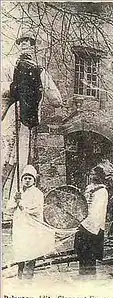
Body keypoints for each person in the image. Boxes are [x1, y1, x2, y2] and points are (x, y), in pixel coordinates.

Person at [2, 31, 62, 189]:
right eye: (22, 41)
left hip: (26, 119)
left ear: (32, 46)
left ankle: (16, 194)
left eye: (28, 41)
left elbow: (56, 100)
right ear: (18, 45)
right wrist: (14, 88)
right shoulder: (8, 64)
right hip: (10, 113)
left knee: (21, 156)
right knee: (7, 152)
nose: (25, 44)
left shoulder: (39, 70)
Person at [5, 165, 55, 279]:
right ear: (22, 180)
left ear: (34, 180)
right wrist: (15, 200)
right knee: (20, 252)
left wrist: (21, 204)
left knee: (30, 252)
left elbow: (36, 209)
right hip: (19, 228)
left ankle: (28, 279)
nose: (27, 181)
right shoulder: (18, 193)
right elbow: (9, 208)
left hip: (31, 228)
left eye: (29, 178)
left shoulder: (37, 193)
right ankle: (20, 277)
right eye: (25, 178)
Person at [74, 167, 108, 275]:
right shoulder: (89, 188)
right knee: (82, 250)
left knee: (90, 251)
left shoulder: (102, 191)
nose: (93, 177)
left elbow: (98, 209)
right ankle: (82, 271)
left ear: (100, 176)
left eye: (95, 174)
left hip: (94, 224)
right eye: (91, 174)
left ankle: (90, 273)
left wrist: (88, 221)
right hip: (84, 222)